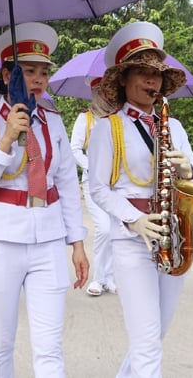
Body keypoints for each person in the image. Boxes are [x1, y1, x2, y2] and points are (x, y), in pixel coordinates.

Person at [0, 22, 88, 377]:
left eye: (44, 72)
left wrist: (77, 242)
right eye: (29, 71)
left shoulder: (52, 121)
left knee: (49, 348)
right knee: (0, 344)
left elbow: (65, 182)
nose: (38, 79)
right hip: (0, 242)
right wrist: (4, 141)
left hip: (47, 241)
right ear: (7, 75)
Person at [87, 21, 193, 378]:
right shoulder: (108, 128)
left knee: (156, 335)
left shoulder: (174, 127)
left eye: (156, 75)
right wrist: (132, 219)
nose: (151, 82)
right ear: (123, 79)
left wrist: (188, 170)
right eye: (142, 72)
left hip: (174, 235)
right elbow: (96, 188)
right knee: (147, 341)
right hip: (132, 240)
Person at [70, 76, 117, 297]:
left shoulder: (119, 118)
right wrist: (93, 166)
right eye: (101, 91)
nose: (105, 95)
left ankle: (110, 276)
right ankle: (98, 278)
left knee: (117, 230)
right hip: (93, 184)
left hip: (117, 184)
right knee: (104, 228)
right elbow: (75, 149)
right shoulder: (85, 119)